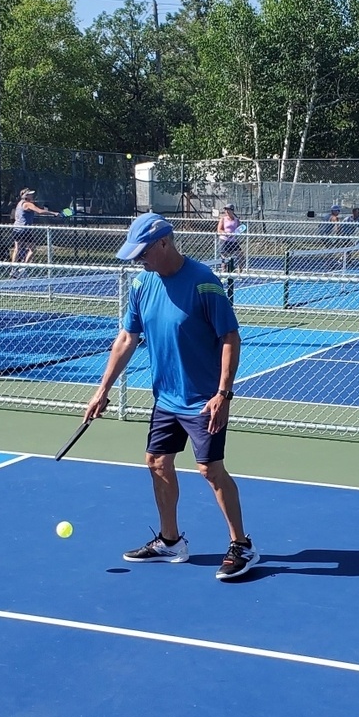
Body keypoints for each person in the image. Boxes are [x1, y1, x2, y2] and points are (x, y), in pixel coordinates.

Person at [83, 212, 258, 581]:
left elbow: (230, 338)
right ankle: (170, 541)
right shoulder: (141, 285)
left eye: (143, 251)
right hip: (166, 398)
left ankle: (241, 544)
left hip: (203, 399)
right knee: (156, 462)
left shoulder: (204, 284)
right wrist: (103, 390)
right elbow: (127, 338)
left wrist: (223, 394)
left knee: (210, 470)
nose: (137, 259)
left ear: (164, 243)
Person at [11, 188, 59, 276]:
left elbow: (29, 213)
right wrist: (53, 213)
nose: (32, 195)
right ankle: (23, 269)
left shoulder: (19, 204)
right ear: (25, 196)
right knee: (32, 249)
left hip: (16, 229)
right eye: (30, 194)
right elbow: (39, 211)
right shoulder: (28, 204)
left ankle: (13, 270)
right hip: (24, 230)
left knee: (17, 249)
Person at [216, 203, 243, 271]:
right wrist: (225, 233)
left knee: (240, 256)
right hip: (224, 240)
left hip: (233, 241)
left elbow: (239, 229)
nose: (227, 211)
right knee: (224, 258)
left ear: (232, 211)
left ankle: (240, 271)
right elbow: (219, 230)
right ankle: (224, 272)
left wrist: (235, 233)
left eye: (228, 210)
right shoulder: (223, 219)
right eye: (226, 210)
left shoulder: (236, 220)